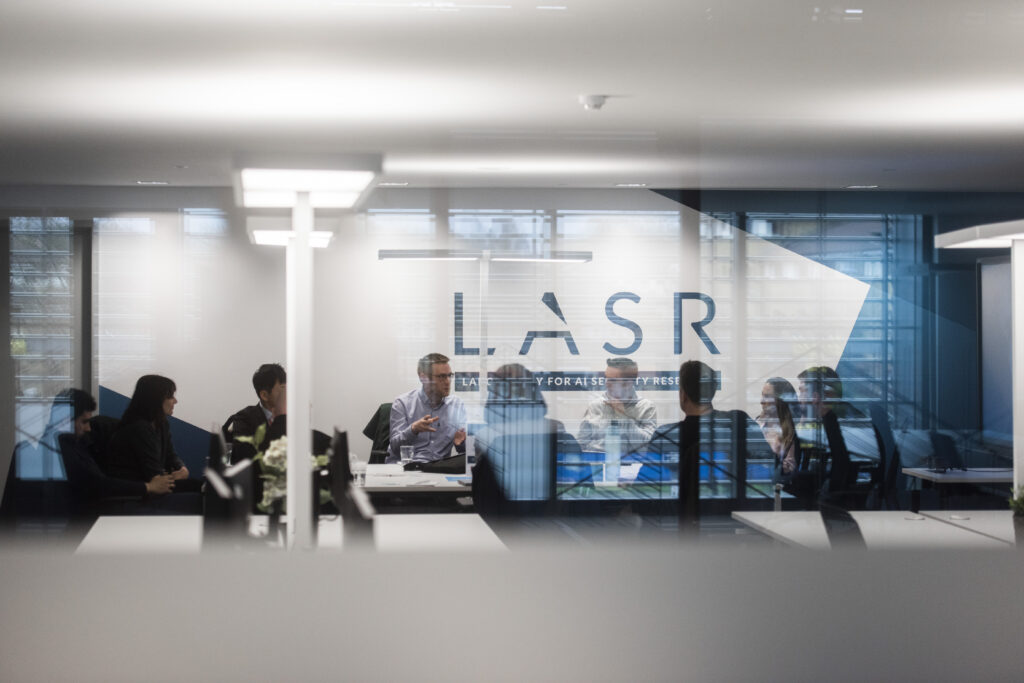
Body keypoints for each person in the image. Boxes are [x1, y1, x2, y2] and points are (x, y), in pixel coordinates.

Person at [646, 361, 772, 529]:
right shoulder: (739, 422)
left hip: (681, 531)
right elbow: (769, 470)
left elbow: (646, 496)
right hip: (738, 528)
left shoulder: (666, 436)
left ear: (683, 395)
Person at [472, 363, 580, 519]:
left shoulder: (491, 441)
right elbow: (584, 497)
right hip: (562, 528)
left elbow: (483, 504)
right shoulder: (562, 438)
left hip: (507, 529)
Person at [55, 389, 175, 513]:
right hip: (91, 514)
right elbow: (98, 484)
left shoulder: (75, 443)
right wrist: (148, 487)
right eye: (84, 422)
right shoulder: (62, 451)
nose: (88, 429)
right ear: (65, 420)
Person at [107, 375, 191, 483]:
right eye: (170, 396)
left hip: (154, 484)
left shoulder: (162, 424)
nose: (175, 401)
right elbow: (152, 472)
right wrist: (172, 477)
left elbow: (170, 455)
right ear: (156, 399)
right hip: (138, 488)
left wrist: (182, 468)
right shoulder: (138, 428)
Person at [387, 353, 466, 464]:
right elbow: (395, 448)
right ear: (423, 377)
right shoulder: (402, 403)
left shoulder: (456, 405)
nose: (448, 381)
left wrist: (461, 443)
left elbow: (466, 451)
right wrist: (413, 429)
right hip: (406, 467)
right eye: (441, 377)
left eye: (449, 375)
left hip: (438, 469)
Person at [577, 357, 657, 457]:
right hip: (599, 462)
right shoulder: (596, 406)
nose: (607, 384)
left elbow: (648, 447)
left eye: (612, 380)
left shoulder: (645, 407)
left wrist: (623, 416)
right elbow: (581, 445)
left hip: (633, 463)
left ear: (628, 383)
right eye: (606, 378)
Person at [222, 363, 287, 464]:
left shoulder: (293, 418)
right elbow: (250, 461)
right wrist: (281, 418)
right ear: (264, 395)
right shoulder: (243, 420)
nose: (287, 394)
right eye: (282, 389)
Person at [756, 377, 799, 481]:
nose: (761, 401)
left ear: (780, 401)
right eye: (762, 395)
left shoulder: (791, 433)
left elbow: (789, 470)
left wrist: (787, 467)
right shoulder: (755, 425)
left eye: (767, 396)